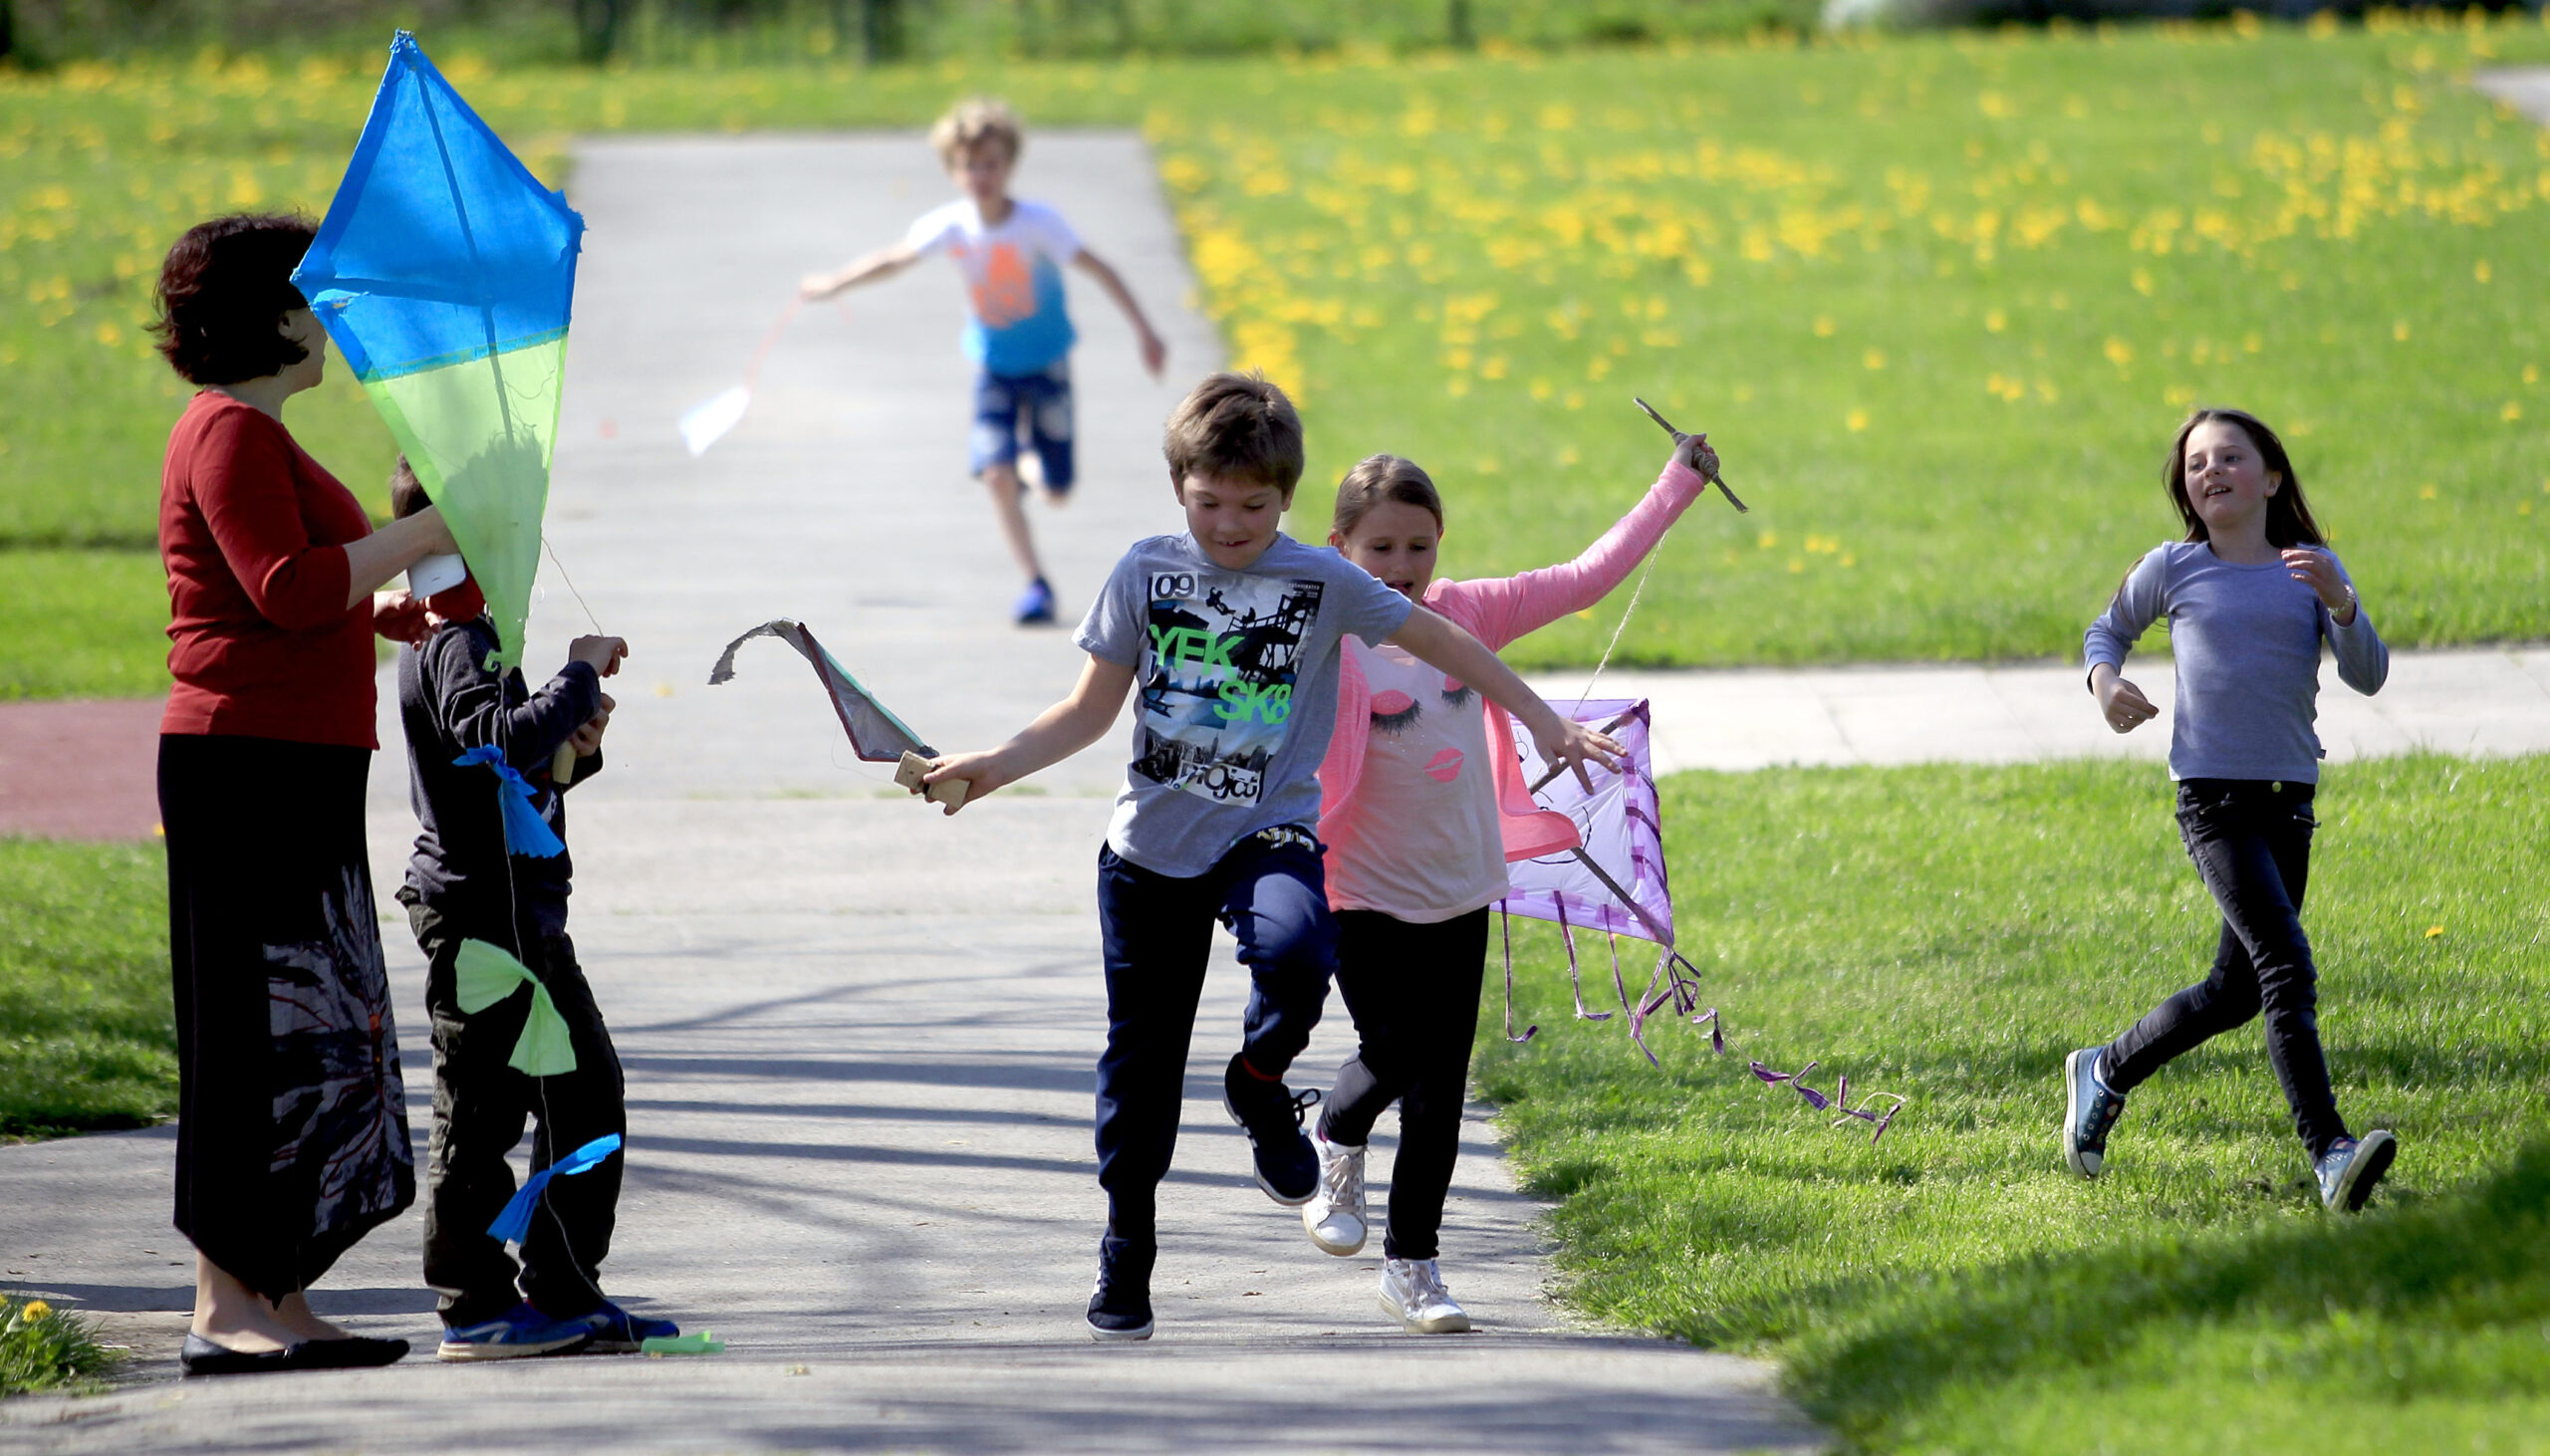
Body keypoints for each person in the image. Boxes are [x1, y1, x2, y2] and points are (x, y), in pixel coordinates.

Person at [919, 371, 1623, 1342]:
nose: (1229, 523)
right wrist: (992, 765)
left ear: (1286, 498)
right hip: (1149, 855)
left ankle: (1258, 1084)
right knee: (1141, 1065)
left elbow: (1443, 638)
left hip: (1269, 837)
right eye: (1208, 502)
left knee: (1297, 958)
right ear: (1180, 487)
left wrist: (1541, 719)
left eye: (1252, 505)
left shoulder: (1323, 579)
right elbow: (1088, 709)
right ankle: (1128, 1244)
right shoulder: (1144, 572)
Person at [1298, 432, 1719, 1334]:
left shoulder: (1468, 616)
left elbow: (1584, 579)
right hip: (1358, 890)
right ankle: (1333, 1126)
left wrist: (1676, 483)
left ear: (1440, 541)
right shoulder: (1324, 635)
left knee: (1442, 1085)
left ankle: (1414, 1267)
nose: (1403, 567)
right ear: (1340, 549)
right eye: (1380, 549)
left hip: (1460, 887)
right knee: (1397, 1050)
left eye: (1419, 546)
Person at [151, 212, 453, 1375]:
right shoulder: (225, 431)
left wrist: (398, 608)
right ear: (268, 315)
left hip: (301, 762)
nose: (328, 315)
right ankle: (223, 1306)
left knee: (308, 1032)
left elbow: (305, 597)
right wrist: (421, 529)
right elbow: (281, 590)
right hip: (244, 769)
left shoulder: (262, 434)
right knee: (246, 1037)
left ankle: (275, 1293)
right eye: (313, 294)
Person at [2065, 407, 2396, 1212]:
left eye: (2230, 458)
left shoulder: (2309, 568)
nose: (2210, 471)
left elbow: (2370, 675)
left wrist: (2343, 605)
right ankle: (2331, 1153)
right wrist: (2107, 685)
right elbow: (2104, 632)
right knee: (2286, 966)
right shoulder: (2174, 567)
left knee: (2235, 990)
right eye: (2195, 462)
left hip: (2290, 803)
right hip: (2212, 802)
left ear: (2272, 477)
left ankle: (2104, 1069)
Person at [386, 462, 676, 1359]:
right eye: (513, 528)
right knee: (481, 1112)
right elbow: (490, 741)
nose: (528, 549)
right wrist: (578, 678)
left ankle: (560, 1283)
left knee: (586, 1094)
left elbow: (521, 774)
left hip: (528, 918)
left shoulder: (482, 634)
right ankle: (471, 1303)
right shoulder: (452, 638)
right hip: (479, 925)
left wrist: (574, 744)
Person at [800, 97, 1168, 625]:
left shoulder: (1038, 224)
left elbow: (1099, 268)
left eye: (991, 163)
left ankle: (1024, 460)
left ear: (1009, 165)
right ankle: (1035, 583)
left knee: (1056, 491)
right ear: (953, 171)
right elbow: (893, 259)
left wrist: (1145, 332)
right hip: (993, 369)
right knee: (995, 477)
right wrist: (833, 284)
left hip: (1047, 367)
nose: (981, 175)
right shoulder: (952, 226)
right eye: (969, 165)